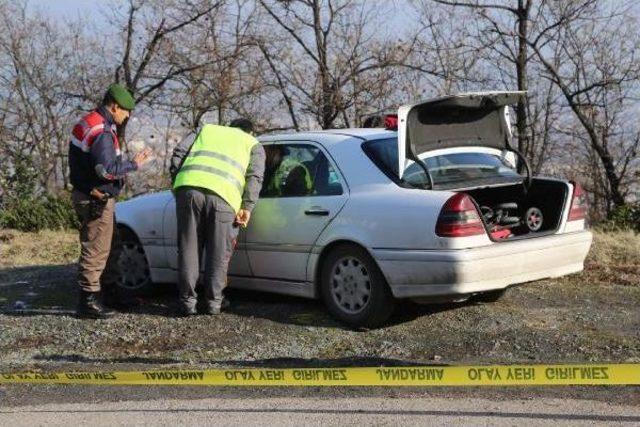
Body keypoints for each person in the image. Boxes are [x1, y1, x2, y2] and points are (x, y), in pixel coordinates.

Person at [69, 83, 152, 319]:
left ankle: (110, 293)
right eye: (126, 111)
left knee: (110, 245)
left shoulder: (89, 121)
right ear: (114, 107)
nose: (127, 116)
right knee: (96, 248)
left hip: (89, 193)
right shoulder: (102, 131)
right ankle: (88, 301)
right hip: (95, 197)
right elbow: (105, 169)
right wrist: (134, 164)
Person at [169, 118, 265, 316]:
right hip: (224, 196)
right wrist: (247, 206)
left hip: (189, 191)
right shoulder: (252, 144)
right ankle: (214, 304)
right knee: (219, 252)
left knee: (189, 249)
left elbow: (178, 153)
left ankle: (188, 303)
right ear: (250, 132)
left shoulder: (206, 130)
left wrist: (178, 183)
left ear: (229, 128)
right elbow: (255, 177)